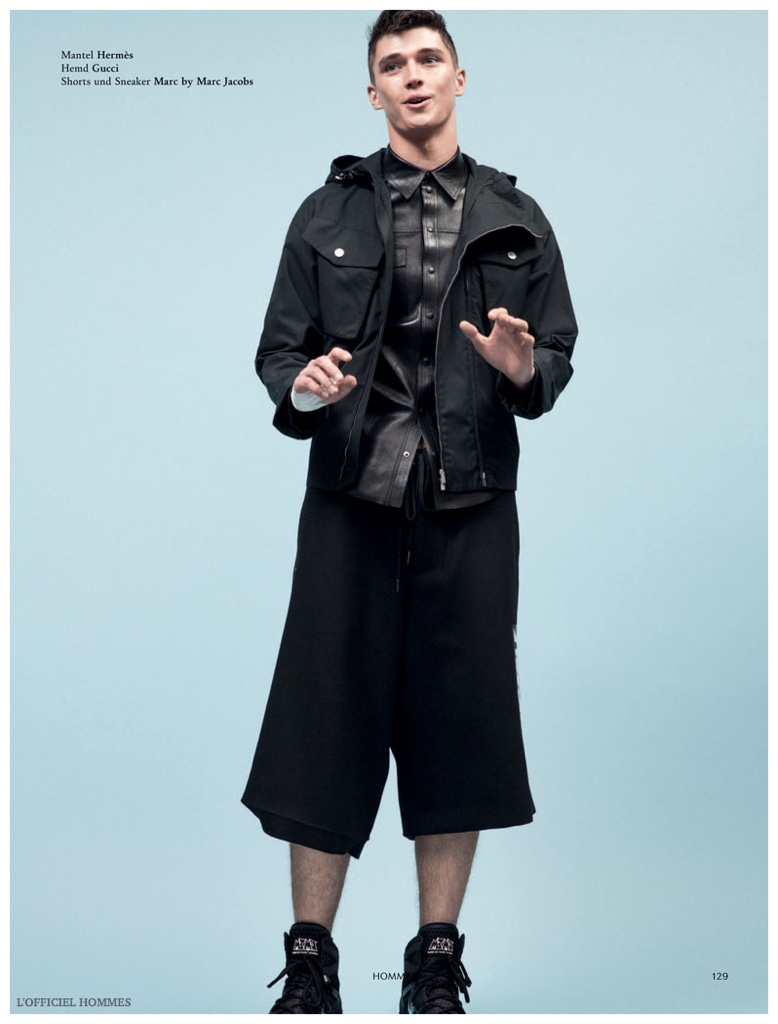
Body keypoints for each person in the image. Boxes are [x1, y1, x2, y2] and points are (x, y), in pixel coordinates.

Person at [242, 9, 577, 1014]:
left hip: (469, 500)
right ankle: (311, 960)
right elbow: (278, 351)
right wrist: (306, 388)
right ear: (373, 91)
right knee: (323, 715)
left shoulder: (517, 215)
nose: (414, 75)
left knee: (457, 719)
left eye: (429, 58)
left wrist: (522, 368)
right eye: (393, 64)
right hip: (350, 494)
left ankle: (434, 959)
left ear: (459, 78)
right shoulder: (325, 214)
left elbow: (554, 353)